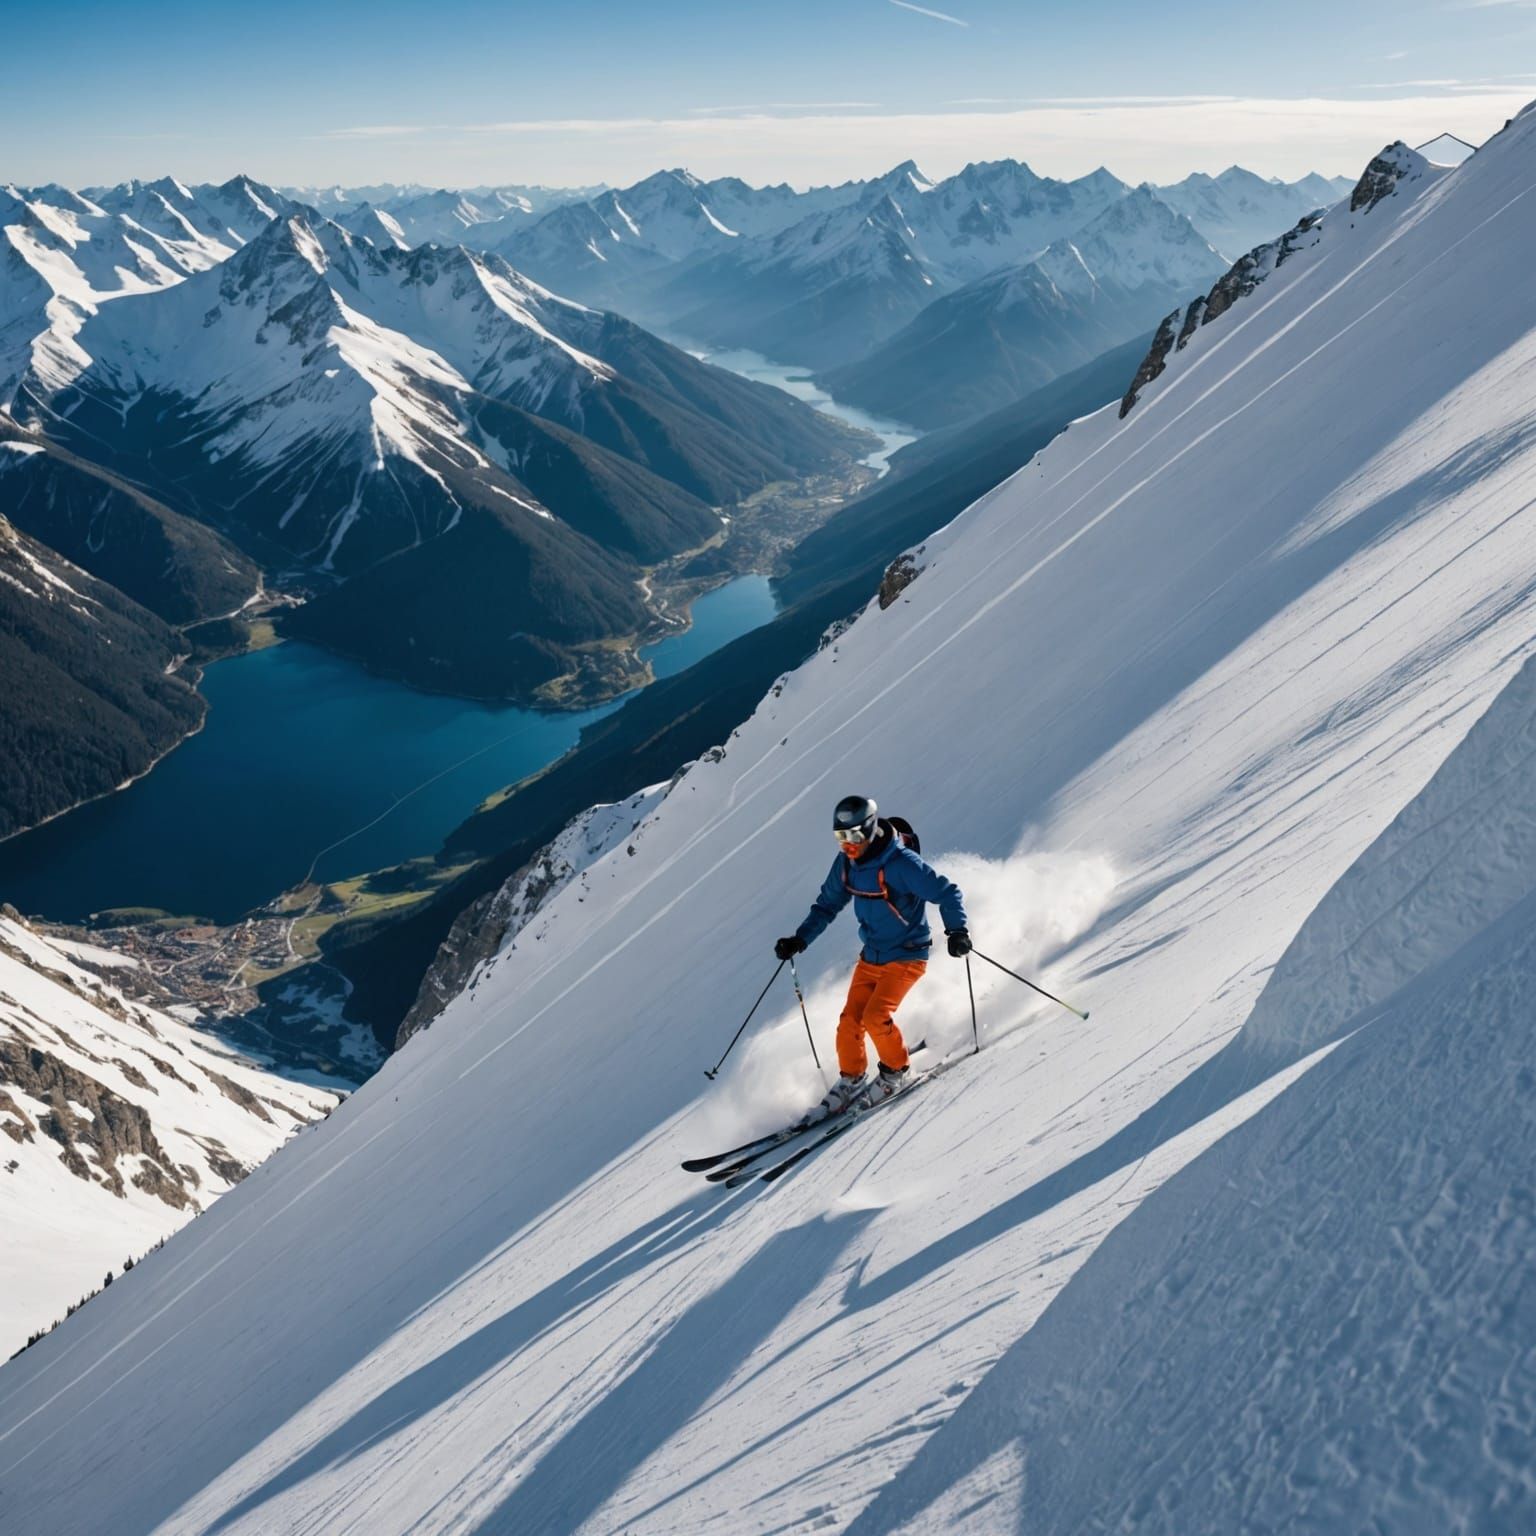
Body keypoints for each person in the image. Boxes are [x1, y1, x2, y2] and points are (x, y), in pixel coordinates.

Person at [776, 795, 970, 1113]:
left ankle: (897, 1072)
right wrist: (800, 939)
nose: (847, 844)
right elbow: (826, 905)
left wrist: (957, 930)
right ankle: (852, 1078)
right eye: (841, 837)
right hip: (872, 955)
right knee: (850, 1021)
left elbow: (947, 892)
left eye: (853, 836)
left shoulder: (901, 864)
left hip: (908, 955)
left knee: (875, 1016)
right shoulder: (846, 864)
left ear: (869, 829)